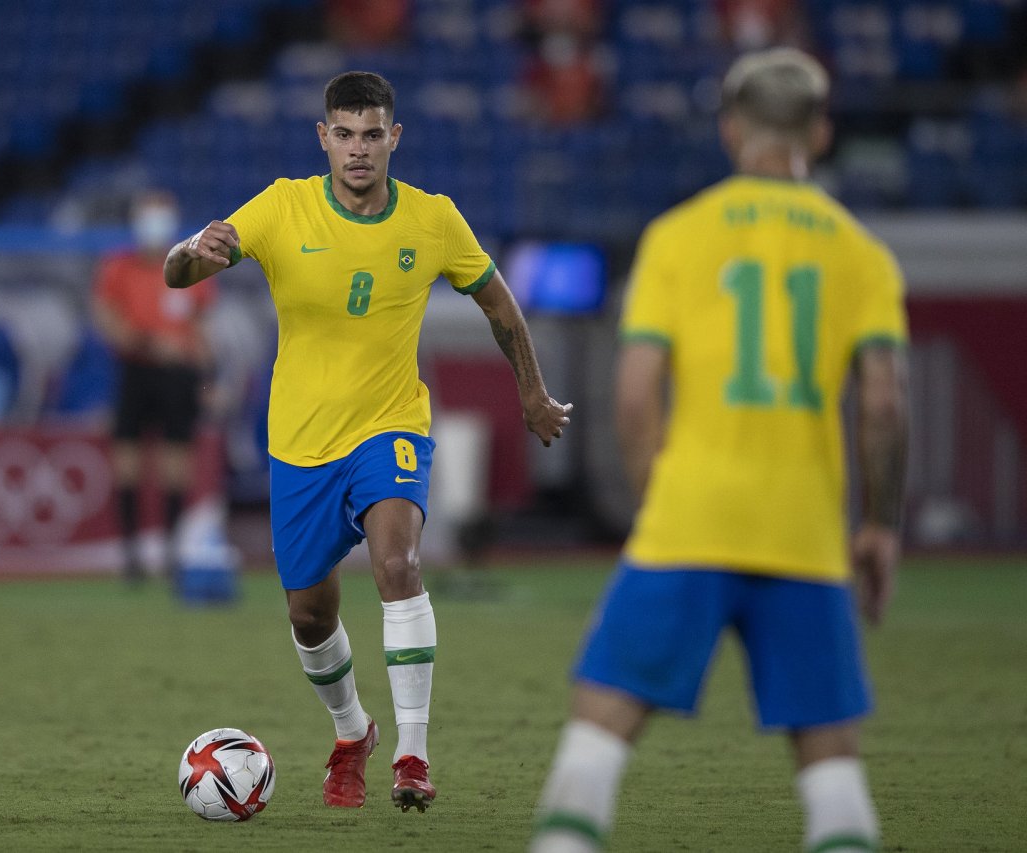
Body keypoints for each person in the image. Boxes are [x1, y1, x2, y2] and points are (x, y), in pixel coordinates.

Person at [530, 48, 909, 853]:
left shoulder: (677, 236)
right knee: (832, 767)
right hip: (805, 532)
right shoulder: (861, 254)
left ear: (731, 130)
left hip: (691, 519)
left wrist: (652, 501)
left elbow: (635, 397)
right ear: (822, 131)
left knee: (598, 731)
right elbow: (883, 403)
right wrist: (878, 523)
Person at [164, 71, 572, 814]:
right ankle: (354, 732)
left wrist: (533, 393)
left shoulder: (432, 219)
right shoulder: (282, 205)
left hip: (391, 427)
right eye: (344, 134)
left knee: (397, 562)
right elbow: (176, 274)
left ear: (395, 137)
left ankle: (412, 756)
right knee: (310, 618)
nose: (358, 149)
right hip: (300, 442)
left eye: (372, 134)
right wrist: (196, 246)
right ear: (324, 137)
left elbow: (498, 302)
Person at [93, 190, 217, 582]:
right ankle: (131, 555)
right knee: (127, 461)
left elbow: (198, 331)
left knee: (175, 464)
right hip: (136, 371)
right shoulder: (118, 267)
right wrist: (152, 343)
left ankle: (173, 554)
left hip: (179, 377)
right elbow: (108, 321)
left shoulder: (191, 267)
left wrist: (208, 378)